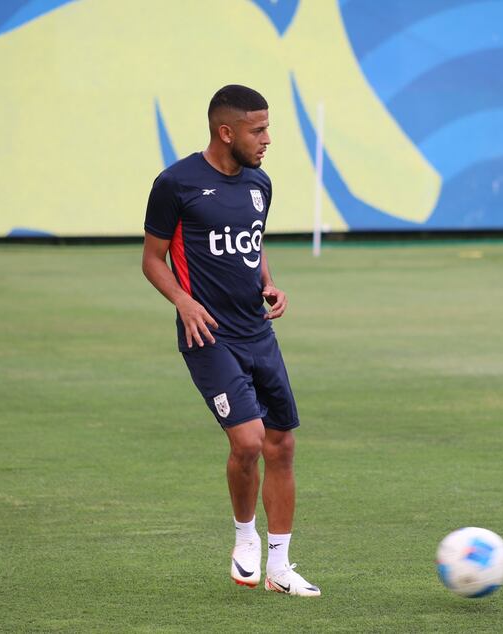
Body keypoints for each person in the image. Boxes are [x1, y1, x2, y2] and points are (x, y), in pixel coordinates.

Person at [142, 85, 320, 597]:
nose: (267, 139)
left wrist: (268, 282)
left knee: (281, 444)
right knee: (247, 441)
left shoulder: (260, 184)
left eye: (267, 128)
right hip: (209, 335)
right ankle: (245, 538)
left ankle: (281, 568)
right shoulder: (175, 183)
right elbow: (152, 260)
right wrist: (182, 300)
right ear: (226, 132)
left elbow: (251, 246)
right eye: (257, 130)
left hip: (257, 331)